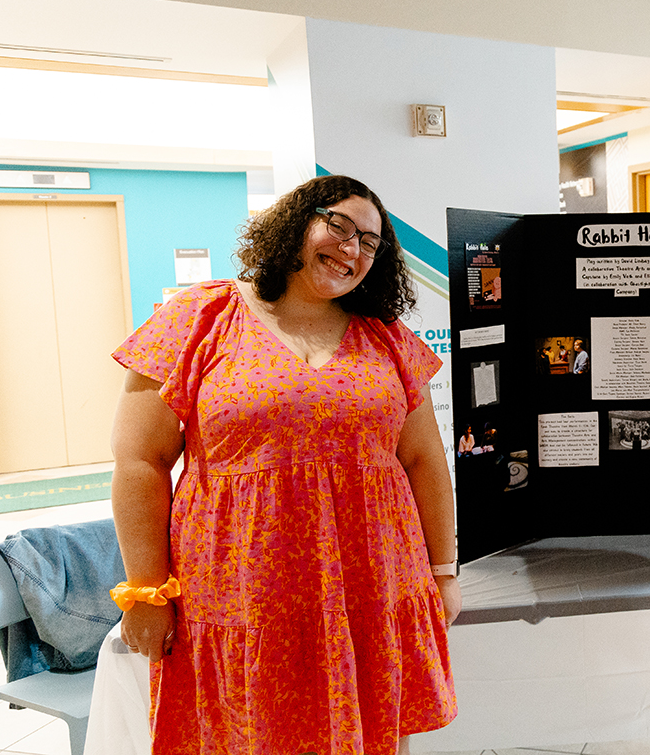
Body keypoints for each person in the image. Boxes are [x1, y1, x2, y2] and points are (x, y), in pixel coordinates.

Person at [110, 175, 458, 754]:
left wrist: (443, 573)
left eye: (370, 243)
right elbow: (138, 462)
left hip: (368, 582)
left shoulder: (386, 338)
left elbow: (423, 461)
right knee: (242, 733)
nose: (352, 249)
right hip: (238, 587)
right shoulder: (200, 317)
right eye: (339, 226)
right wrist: (146, 591)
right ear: (294, 223)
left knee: (364, 735)